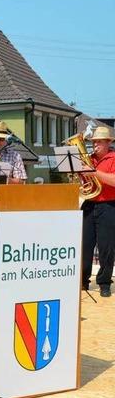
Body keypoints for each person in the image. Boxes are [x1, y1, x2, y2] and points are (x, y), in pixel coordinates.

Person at [81, 126, 115, 297]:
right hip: (89, 203)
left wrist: (94, 172)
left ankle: (104, 282)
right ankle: (82, 281)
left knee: (106, 247)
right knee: (84, 245)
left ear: (108, 143)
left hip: (108, 206)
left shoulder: (114, 158)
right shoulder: (87, 159)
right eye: (94, 142)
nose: (95, 145)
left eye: (99, 142)